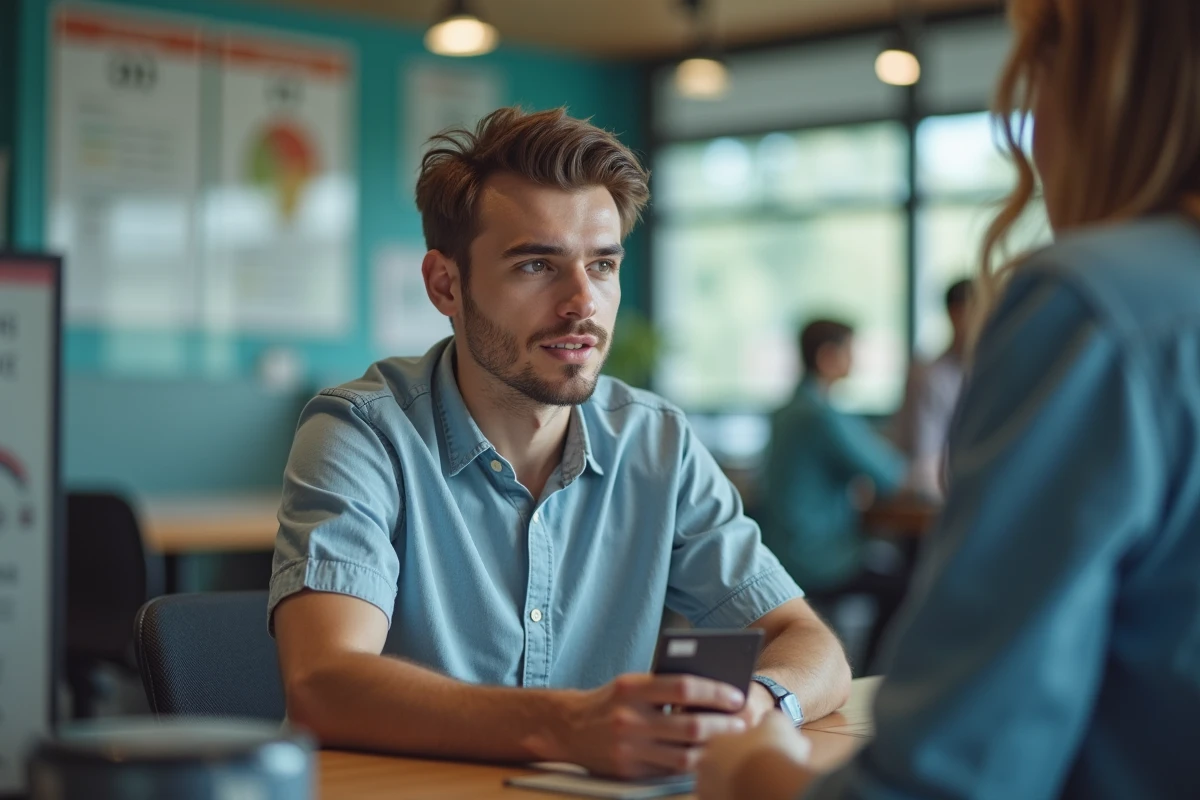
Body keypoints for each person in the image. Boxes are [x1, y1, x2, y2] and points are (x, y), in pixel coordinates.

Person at [697, 0, 1200, 797]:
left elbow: (951, 779)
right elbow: (892, 468)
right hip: (824, 563)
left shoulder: (1095, 305)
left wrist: (746, 772)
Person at [268, 107, 850, 780]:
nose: (582, 302)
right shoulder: (362, 433)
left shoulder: (655, 440)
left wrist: (755, 704)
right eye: (536, 265)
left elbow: (808, 644)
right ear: (445, 284)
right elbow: (325, 684)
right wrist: (566, 727)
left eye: (602, 265)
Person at [759, 319, 907, 669]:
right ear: (828, 357)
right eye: (850, 352)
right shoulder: (821, 415)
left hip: (778, 548)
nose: (855, 362)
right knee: (905, 583)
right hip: (818, 556)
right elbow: (890, 473)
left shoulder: (785, 411)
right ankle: (871, 676)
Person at [890, 279, 974, 499]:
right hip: (928, 495)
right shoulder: (930, 376)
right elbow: (925, 459)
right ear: (955, 315)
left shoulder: (988, 369)